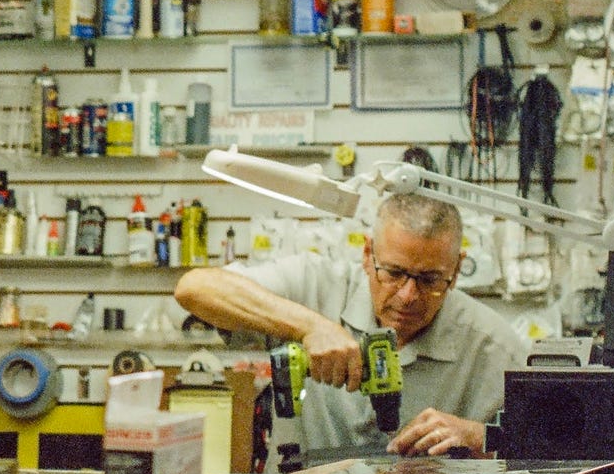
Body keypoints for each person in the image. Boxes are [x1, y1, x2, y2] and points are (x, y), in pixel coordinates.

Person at [173, 192, 528, 457]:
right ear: (367, 254)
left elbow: (547, 453)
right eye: (393, 273)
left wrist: (480, 437)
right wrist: (310, 327)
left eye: (430, 280)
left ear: (457, 269)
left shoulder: (492, 345)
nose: (408, 295)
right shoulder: (313, 285)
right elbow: (195, 288)